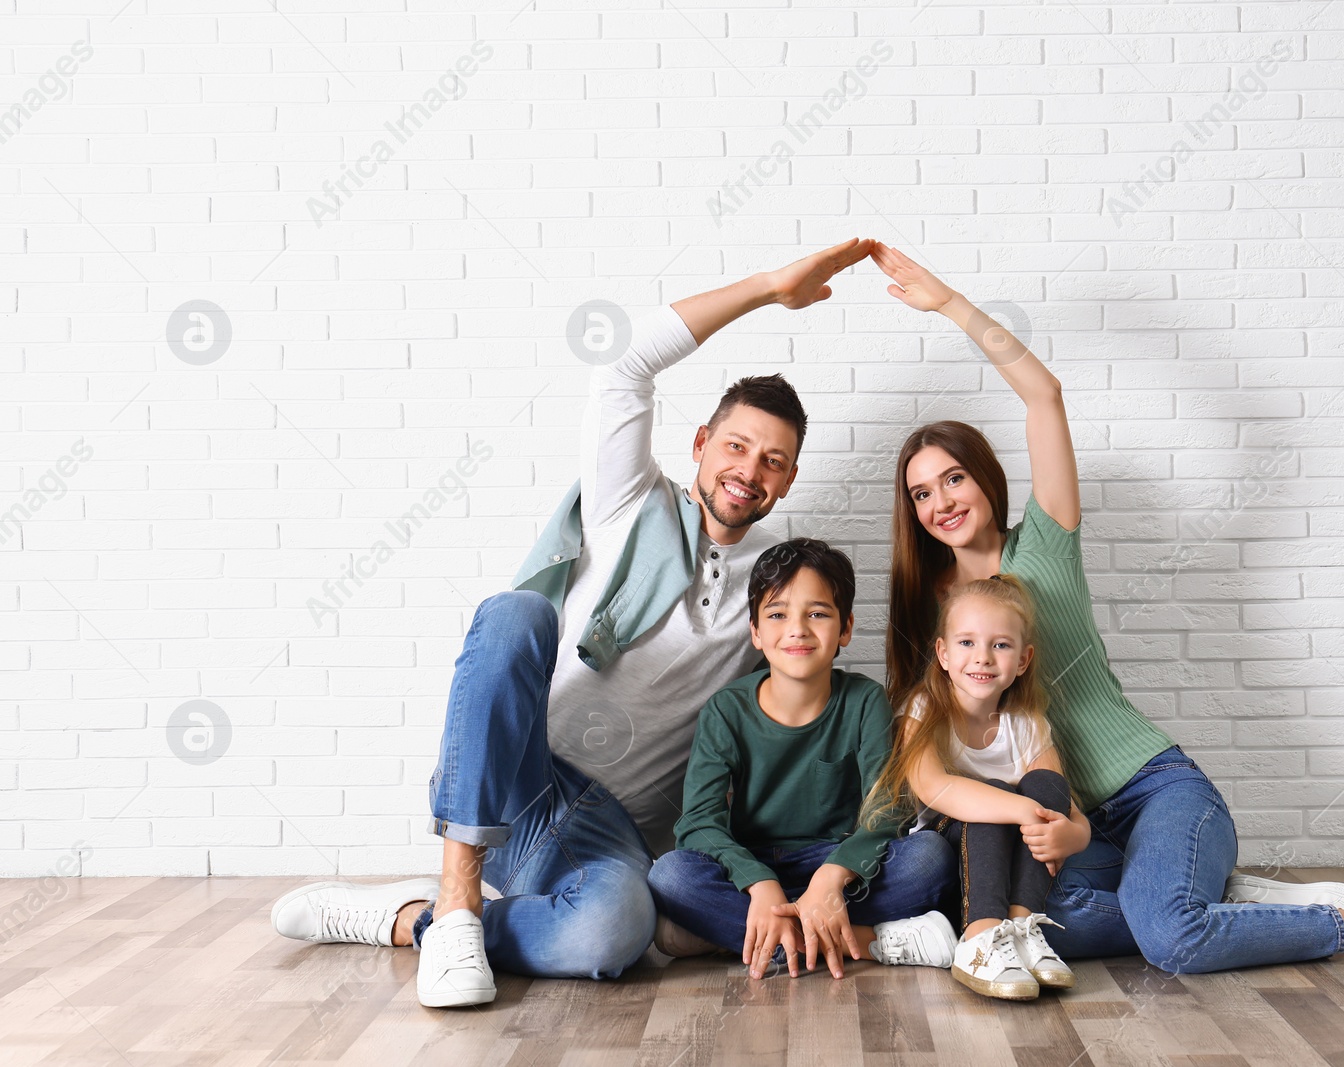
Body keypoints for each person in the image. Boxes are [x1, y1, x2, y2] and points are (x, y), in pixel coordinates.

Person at [869, 241, 1344, 972]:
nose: (942, 501)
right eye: (922, 493)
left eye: (953, 479)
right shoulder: (932, 616)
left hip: (1151, 789)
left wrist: (950, 305)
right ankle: (1232, 900)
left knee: (1169, 938)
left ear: (985, 479)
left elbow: (1044, 395)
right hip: (1068, 827)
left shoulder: (1045, 538)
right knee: (1033, 919)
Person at [269, 239, 884, 1007]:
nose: (748, 471)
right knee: (515, 613)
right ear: (701, 444)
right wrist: (766, 288)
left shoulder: (776, 593)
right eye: (737, 445)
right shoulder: (628, 499)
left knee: (614, 938)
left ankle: (406, 917)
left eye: (773, 461)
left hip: (612, 831)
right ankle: (459, 899)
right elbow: (625, 360)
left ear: (788, 477)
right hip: (520, 779)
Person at [647, 538, 959, 980]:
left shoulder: (865, 701)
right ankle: (865, 941)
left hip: (840, 869)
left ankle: (744, 939)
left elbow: (887, 810)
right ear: (755, 631)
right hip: (752, 870)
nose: (797, 629)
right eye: (777, 615)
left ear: (845, 628)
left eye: (817, 613)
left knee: (930, 858)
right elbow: (698, 823)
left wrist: (831, 878)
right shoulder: (725, 710)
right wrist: (760, 884)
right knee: (670, 876)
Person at [863, 575, 1085, 1000]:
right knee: (994, 796)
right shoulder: (924, 709)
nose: (982, 658)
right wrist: (1019, 809)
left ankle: (1021, 929)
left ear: (1023, 660)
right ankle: (981, 933)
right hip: (948, 848)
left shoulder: (1026, 725)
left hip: (1017, 853)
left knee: (1045, 782)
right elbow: (935, 787)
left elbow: (1066, 806)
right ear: (943, 654)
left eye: (1000, 645)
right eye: (966, 643)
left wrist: (1074, 834)